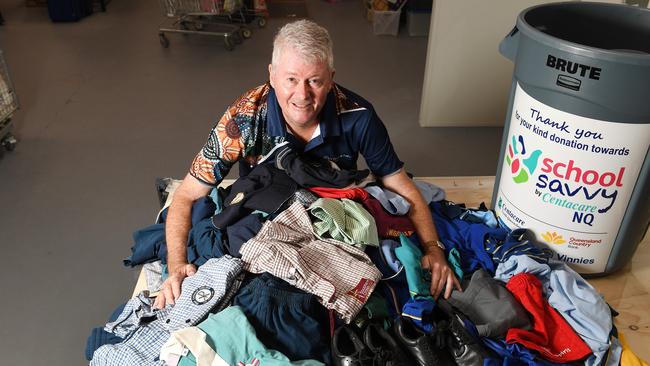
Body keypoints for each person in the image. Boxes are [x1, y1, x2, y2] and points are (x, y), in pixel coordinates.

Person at [153, 20, 460, 309]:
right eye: (291, 80)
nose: (302, 94)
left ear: (331, 79)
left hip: (334, 227)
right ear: (272, 75)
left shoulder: (359, 117)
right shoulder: (242, 119)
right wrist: (177, 266)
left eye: (315, 81)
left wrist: (433, 249)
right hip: (266, 227)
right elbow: (187, 194)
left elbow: (399, 184)